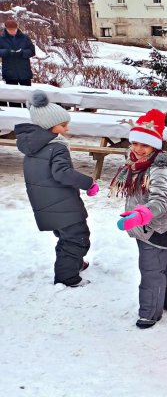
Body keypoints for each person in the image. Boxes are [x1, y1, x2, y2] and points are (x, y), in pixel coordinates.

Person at [14, 90, 98, 287]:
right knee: (77, 238)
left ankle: (74, 263)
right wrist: (89, 183)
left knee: (66, 236)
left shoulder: (33, 146)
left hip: (46, 202)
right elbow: (63, 173)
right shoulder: (57, 146)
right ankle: (67, 277)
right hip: (62, 202)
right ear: (49, 126)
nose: (67, 127)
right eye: (63, 125)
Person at [110, 109, 167, 329]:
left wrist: (139, 215)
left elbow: (159, 203)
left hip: (156, 229)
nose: (139, 149)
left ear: (155, 147)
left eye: (145, 145)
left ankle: (150, 313)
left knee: (151, 271)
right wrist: (134, 214)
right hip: (144, 227)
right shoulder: (134, 164)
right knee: (160, 266)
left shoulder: (160, 170)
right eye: (135, 143)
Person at [0, 19, 35, 87]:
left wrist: (22, 52)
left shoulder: (25, 38)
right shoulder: (1, 39)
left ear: (17, 28)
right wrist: (7, 52)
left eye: (14, 29)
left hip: (25, 73)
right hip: (9, 74)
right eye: (10, 30)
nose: (12, 31)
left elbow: (32, 51)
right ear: (6, 29)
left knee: (26, 94)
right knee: (13, 96)